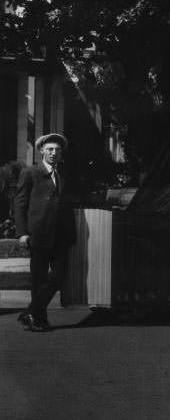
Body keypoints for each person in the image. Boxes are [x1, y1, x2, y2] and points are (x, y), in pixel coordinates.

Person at [14, 133, 76, 332]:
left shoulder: (62, 175)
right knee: (39, 278)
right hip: (38, 234)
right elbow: (20, 203)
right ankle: (39, 318)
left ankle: (31, 312)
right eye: (49, 149)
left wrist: (72, 233)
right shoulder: (31, 173)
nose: (53, 153)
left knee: (59, 275)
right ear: (41, 150)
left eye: (57, 150)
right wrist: (22, 232)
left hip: (61, 236)